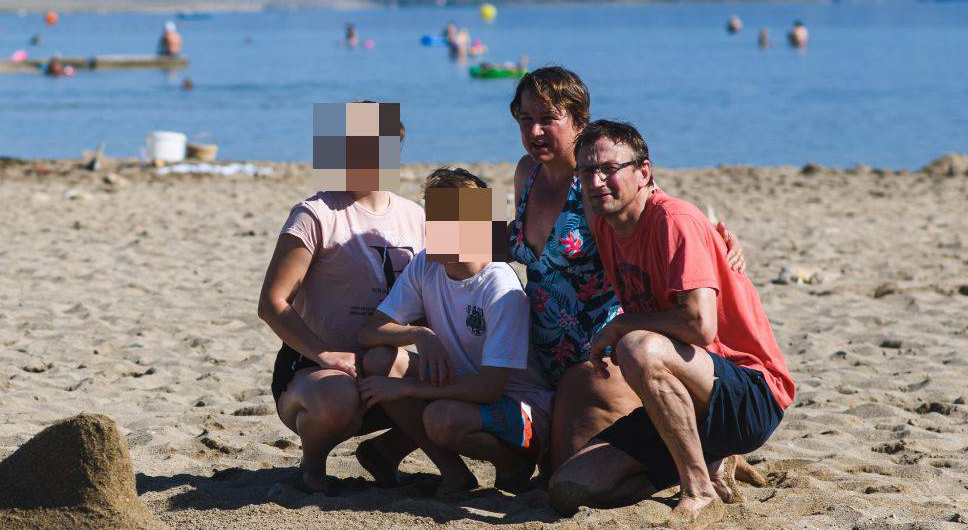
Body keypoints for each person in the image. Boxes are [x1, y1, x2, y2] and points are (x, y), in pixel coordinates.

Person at [507, 67, 747, 483]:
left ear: (578, 120)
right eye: (526, 120)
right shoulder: (526, 173)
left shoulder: (604, 182)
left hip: (602, 353)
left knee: (566, 477)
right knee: (531, 469)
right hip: (542, 347)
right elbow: (527, 252)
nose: (536, 131)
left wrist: (723, 238)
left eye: (548, 119)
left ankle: (711, 457)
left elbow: (664, 217)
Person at [550, 120, 794, 522]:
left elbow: (701, 327)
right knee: (567, 488)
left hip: (744, 387)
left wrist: (621, 325)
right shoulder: (583, 207)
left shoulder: (670, 218)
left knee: (638, 347)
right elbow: (523, 241)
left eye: (608, 169)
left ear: (644, 172)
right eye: (524, 117)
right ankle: (709, 459)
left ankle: (698, 486)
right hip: (652, 378)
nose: (595, 180)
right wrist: (446, 233)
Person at [356, 167, 554, 498]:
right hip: (462, 385)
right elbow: (370, 332)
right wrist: (420, 335)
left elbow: (490, 388)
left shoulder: (500, 286)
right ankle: (455, 474)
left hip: (522, 406)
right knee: (380, 359)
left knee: (441, 417)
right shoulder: (426, 265)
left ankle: (513, 464)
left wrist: (404, 389)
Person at [256, 101, 421, 494]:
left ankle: (385, 453)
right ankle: (312, 468)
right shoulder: (314, 214)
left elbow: (458, 288)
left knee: (463, 381)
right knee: (337, 395)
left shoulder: (418, 217)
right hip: (314, 372)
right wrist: (325, 354)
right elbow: (271, 304)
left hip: (385, 364)